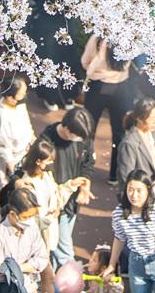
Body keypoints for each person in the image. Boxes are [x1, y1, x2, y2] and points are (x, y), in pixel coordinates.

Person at [104, 170, 155, 293]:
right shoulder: (120, 213)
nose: (134, 195)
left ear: (148, 190)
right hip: (136, 264)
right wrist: (112, 265)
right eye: (130, 189)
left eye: (139, 190)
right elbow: (119, 238)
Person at [40, 106, 96, 266]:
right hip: (54, 203)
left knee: (56, 247)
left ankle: (56, 285)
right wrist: (56, 201)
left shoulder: (83, 137)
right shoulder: (47, 140)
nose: (81, 140)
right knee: (62, 250)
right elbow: (44, 174)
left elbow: (88, 163)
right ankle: (71, 282)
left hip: (72, 201)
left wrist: (85, 183)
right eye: (78, 136)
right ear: (67, 128)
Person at [14, 137, 90, 256]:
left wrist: (70, 185)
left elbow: (56, 195)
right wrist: (50, 213)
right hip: (36, 235)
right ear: (38, 161)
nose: (51, 163)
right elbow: (29, 214)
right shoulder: (27, 183)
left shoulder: (46, 175)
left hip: (48, 229)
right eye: (48, 161)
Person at [82, 34, 137, 184]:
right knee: (119, 134)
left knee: (87, 129)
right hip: (121, 88)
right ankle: (114, 174)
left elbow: (85, 62)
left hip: (97, 87)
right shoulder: (130, 38)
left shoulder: (97, 39)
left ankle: (83, 169)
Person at [0, 187, 52, 293]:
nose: (30, 220)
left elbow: (42, 259)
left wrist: (15, 268)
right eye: (26, 217)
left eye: (32, 216)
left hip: (31, 288)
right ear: (12, 214)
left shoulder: (32, 228)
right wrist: (30, 265)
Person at [0, 78, 34, 210]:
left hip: (23, 154)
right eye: (22, 92)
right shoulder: (3, 115)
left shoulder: (20, 104)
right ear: (10, 95)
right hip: (8, 161)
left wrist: (32, 139)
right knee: (8, 190)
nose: (25, 94)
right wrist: (11, 170)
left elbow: (27, 124)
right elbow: (3, 145)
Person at [116, 98, 155, 194]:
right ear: (139, 118)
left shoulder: (154, 133)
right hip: (140, 192)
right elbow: (126, 176)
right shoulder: (129, 143)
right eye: (151, 118)